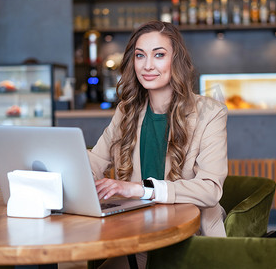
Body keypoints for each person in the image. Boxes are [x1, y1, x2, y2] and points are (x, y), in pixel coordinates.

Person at [87, 20, 228, 268]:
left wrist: (141, 190)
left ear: (176, 61)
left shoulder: (210, 113)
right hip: (134, 235)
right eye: (140, 56)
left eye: (159, 55)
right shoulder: (126, 111)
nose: (148, 65)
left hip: (187, 239)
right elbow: (95, 162)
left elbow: (210, 189)